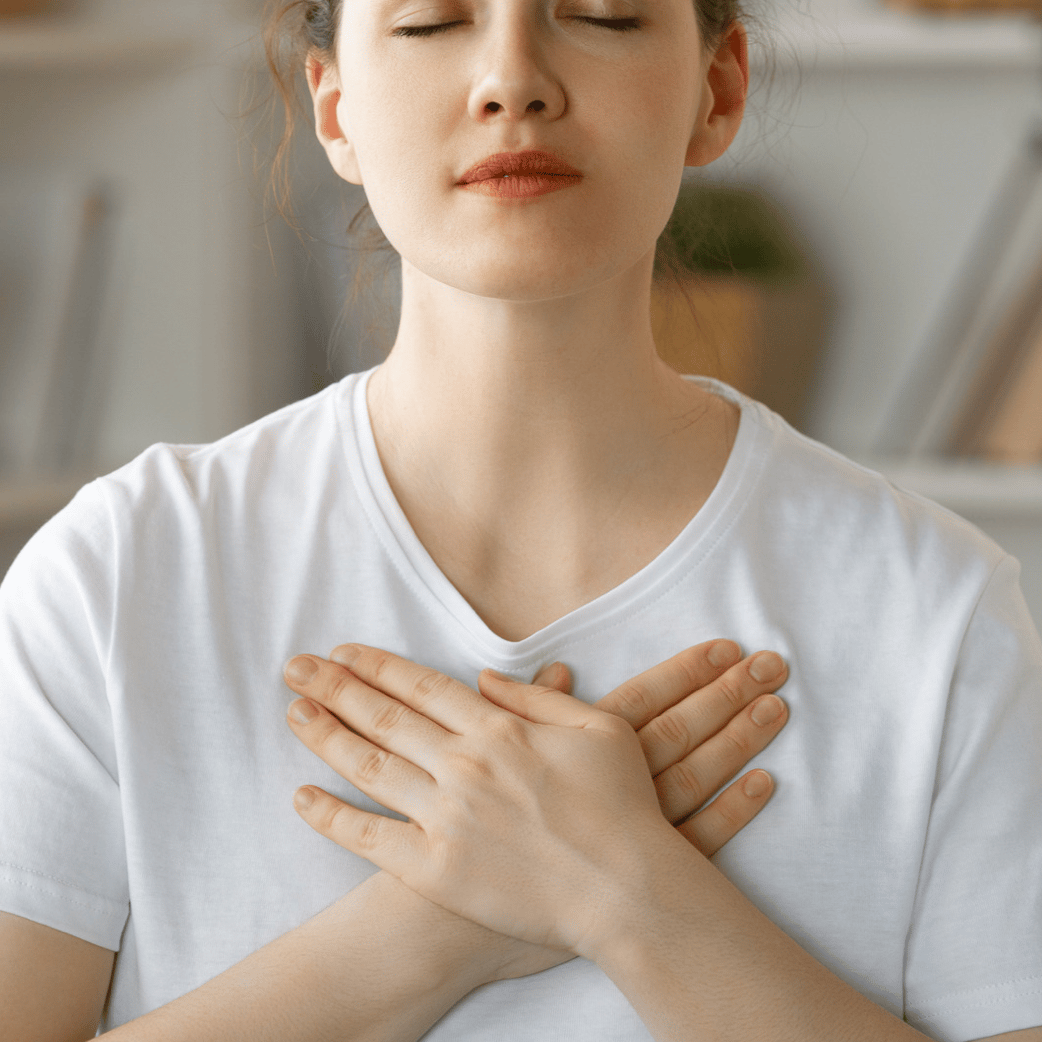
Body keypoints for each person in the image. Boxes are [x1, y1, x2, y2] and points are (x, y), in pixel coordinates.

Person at [0, 0, 1040, 1037]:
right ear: (335, 110)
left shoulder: (940, 613)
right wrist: (438, 919)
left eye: (601, 14)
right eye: (429, 22)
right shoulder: (118, 574)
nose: (511, 81)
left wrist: (624, 890)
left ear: (715, 92)